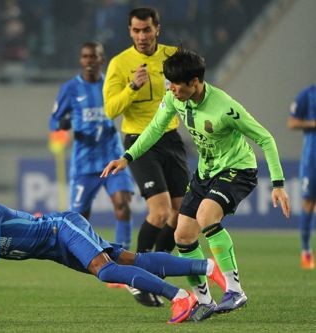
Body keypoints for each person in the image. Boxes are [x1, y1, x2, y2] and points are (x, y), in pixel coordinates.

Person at [101, 49, 291, 321]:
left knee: (206, 216)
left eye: (177, 84)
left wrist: (278, 183)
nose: (172, 89)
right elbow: (155, 128)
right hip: (205, 174)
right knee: (183, 237)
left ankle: (234, 290)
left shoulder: (224, 107)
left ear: (195, 82)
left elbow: (265, 138)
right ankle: (204, 301)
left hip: (237, 169)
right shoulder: (175, 98)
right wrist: (127, 157)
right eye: (169, 83)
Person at [0, 179, 223, 324]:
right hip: (55, 251)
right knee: (132, 260)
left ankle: (181, 298)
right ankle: (208, 268)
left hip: (61, 228)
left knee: (106, 271)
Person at [102, 7, 190, 307]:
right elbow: (111, 109)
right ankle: (135, 278)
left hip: (171, 139)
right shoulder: (119, 64)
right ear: (129, 31)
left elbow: (191, 90)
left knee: (179, 216)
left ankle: (156, 278)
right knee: (161, 211)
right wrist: (132, 87)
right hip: (139, 141)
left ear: (157, 29)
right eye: (136, 30)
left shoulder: (173, 56)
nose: (142, 36)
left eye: (147, 30)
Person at [49, 42, 135, 253]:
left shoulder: (111, 85)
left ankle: (123, 255)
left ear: (101, 60)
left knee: (123, 206)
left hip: (112, 156)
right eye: (85, 56)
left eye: (93, 56)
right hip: (84, 163)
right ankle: (82, 254)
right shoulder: (70, 89)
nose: (89, 61)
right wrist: (63, 125)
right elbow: (54, 121)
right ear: (81, 60)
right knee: (79, 217)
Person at [287, 84, 316, 270]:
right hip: (312, 158)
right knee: (309, 202)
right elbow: (292, 122)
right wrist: (313, 123)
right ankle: (306, 251)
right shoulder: (308, 94)